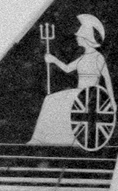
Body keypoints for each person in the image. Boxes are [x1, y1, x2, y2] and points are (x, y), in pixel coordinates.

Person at [29, 14, 112, 146]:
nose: (77, 38)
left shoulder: (98, 57)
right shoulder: (83, 57)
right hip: (78, 93)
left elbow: (106, 78)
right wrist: (53, 60)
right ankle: (42, 137)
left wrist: (112, 100)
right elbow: (67, 69)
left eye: (79, 37)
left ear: (86, 38)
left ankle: (60, 137)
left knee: (58, 100)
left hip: (89, 94)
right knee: (50, 99)